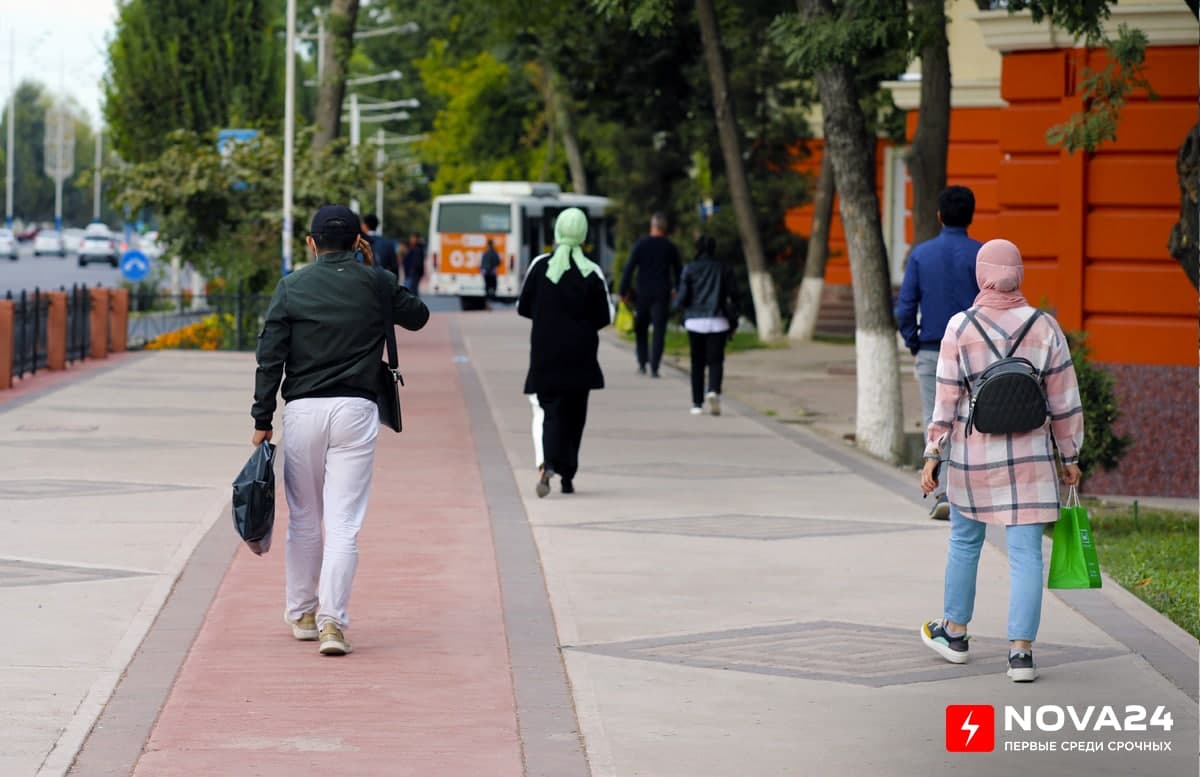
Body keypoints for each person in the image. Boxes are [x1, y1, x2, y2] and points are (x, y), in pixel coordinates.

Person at [251, 205, 430, 656]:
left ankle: (303, 614)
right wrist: (376, 270)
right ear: (357, 242)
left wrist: (261, 420)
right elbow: (418, 315)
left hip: (303, 410)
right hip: (356, 409)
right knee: (344, 524)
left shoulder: (292, 287)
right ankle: (334, 624)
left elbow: (270, 357)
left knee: (305, 519)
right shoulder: (375, 282)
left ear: (311, 244)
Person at [918, 238, 1083, 684]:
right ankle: (1021, 654)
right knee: (1027, 555)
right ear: (1019, 273)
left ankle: (954, 635)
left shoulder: (960, 326)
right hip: (1031, 459)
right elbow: (1065, 402)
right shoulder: (1046, 327)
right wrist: (1070, 456)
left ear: (981, 274)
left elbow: (946, 400)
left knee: (964, 543)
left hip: (974, 459)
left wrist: (933, 453)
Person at [894, 186, 982, 520]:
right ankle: (972, 490)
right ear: (971, 216)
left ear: (939, 216)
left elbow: (904, 309)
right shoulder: (982, 255)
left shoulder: (921, 255)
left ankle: (945, 491)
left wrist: (914, 343)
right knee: (976, 420)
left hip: (932, 349)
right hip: (976, 355)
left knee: (937, 419)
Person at [518, 207, 612, 498]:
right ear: (583, 235)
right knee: (575, 416)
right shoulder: (592, 271)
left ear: (557, 231)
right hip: (581, 358)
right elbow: (604, 316)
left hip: (546, 354)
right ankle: (568, 475)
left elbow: (523, 307)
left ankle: (547, 463)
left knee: (550, 413)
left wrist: (548, 318)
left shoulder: (539, 265)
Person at [676, 234, 738, 416]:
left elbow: (682, 296)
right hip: (719, 320)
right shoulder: (723, 268)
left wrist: (680, 309)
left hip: (694, 320)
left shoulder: (690, 269)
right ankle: (713, 390)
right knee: (716, 360)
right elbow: (734, 293)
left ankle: (697, 403)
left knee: (697, 362)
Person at [619, 212, 681, 378]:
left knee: (641, 328)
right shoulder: (670, 247)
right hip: (662, 293)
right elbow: (678, 271)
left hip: (643, 293)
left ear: (652, 226)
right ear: (665, 228)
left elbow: (629, 268)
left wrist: (623, 290)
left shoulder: (641, 244)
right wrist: (678, 290)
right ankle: (654, 366)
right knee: (659, 330)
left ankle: (642, 363)